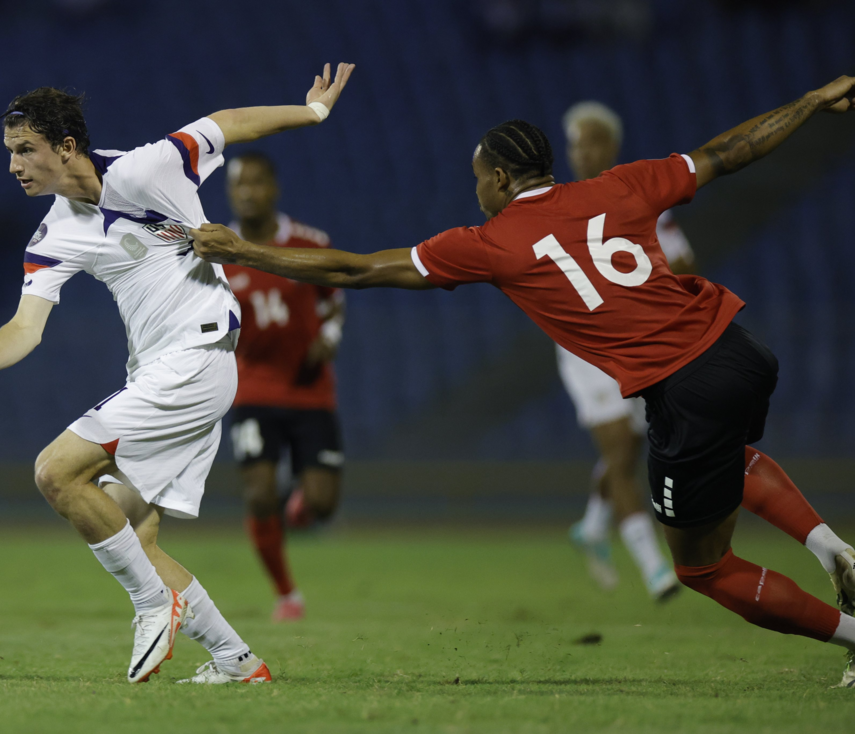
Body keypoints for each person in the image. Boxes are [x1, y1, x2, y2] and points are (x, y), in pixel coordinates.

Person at [189, 76, 855, 687]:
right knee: (727, 462)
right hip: (739, 349)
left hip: (683, 387)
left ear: (502, 178)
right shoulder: (621, 184)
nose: (475, 191)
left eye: (478, 179)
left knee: (704, 566)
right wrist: (810, 103)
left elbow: (356, 271)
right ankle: (831, 548)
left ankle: (852, 633)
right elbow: (729, 151)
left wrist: (245, 252)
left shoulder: (493, 241)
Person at [0, 62, 355, 685]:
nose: (14, 165)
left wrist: (313, 112)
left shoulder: (147, 167)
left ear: (66, 146)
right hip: (173, 371)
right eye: (10, 152)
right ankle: (237, 662)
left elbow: (224, 125)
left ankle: (150, 605)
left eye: (25, 150)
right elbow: (26, 326)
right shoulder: (55, 231)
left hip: (194, 358)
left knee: (57, 473)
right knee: (133, 533)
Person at [558, 101, 695, 602]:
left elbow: (683, 265)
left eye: (591, 141)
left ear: (613, 146)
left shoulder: (640, 195)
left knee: (629, 448)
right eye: (574, 143)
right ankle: (655, 568)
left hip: (636, 343)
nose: (581, 152)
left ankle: (593, 526)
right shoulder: (555, 202)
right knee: (619, 448)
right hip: (583, 346)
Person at [221, 151, 345, 622]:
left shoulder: (310, 243)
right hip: (253, 390)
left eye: (256, 183)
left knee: (323, 504)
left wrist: (330, 338)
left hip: (311, 390)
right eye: (238, 185)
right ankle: (287, 594)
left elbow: (334, 300)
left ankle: (299, 506)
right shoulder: (219, 252)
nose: (248, 192)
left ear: (274, 188)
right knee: (258, 493)